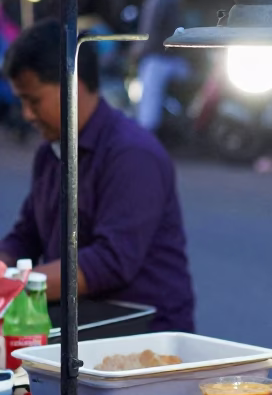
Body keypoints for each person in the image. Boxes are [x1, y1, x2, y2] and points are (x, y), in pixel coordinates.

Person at [0, 19, 195, 331]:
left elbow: (110, 263)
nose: (26, 114)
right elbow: (26, 234)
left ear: (71, 86)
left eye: (33, 100)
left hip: (145, 337)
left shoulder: (132, 154)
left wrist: (15, 283)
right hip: (77, 327)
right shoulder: (50, 151)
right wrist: (4, 263)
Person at [134, 0, 189, 133]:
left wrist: (139, 49)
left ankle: (148, 134)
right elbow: (153, 28)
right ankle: (146, 137)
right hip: (161, 56)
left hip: (161, 56)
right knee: (151, 100)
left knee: (150, 99)